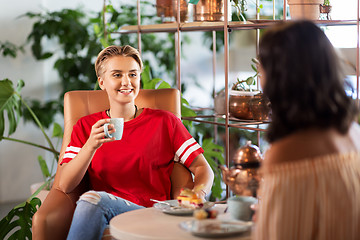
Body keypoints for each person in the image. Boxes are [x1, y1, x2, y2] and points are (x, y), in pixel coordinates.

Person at [57, 45, 214, 239]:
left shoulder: (164, 121)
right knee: (91, 200)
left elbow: (202, 167)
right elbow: (65, 185)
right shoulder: (86, 126)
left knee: (92, 200)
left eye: (133, 74)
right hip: (108, 211)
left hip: (152, 212)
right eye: (117, 75)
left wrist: (199, 194)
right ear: (102, 82)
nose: (126, 82)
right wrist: (91, 146)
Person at [254, 20, 360, 240]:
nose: (260, 79)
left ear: (281, 78)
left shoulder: (285, 155)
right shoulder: (353, 133)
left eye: (261, 68)